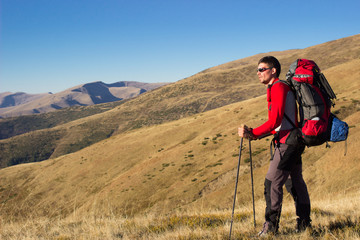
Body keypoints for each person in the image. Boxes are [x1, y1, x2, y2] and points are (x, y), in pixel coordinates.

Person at [238, 56, 311, 236]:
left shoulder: (279, 87)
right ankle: (304, 225)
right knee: (295, 182)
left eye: (262, 69)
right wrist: (255, 135)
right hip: (294, 140)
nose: (258, 73)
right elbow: (280, 122)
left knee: (272, 183)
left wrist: (253, 133)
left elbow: (275, 121)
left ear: (273, 71)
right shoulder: (279, 88)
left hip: (287, 143)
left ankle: (270, 229)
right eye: (258, 70)